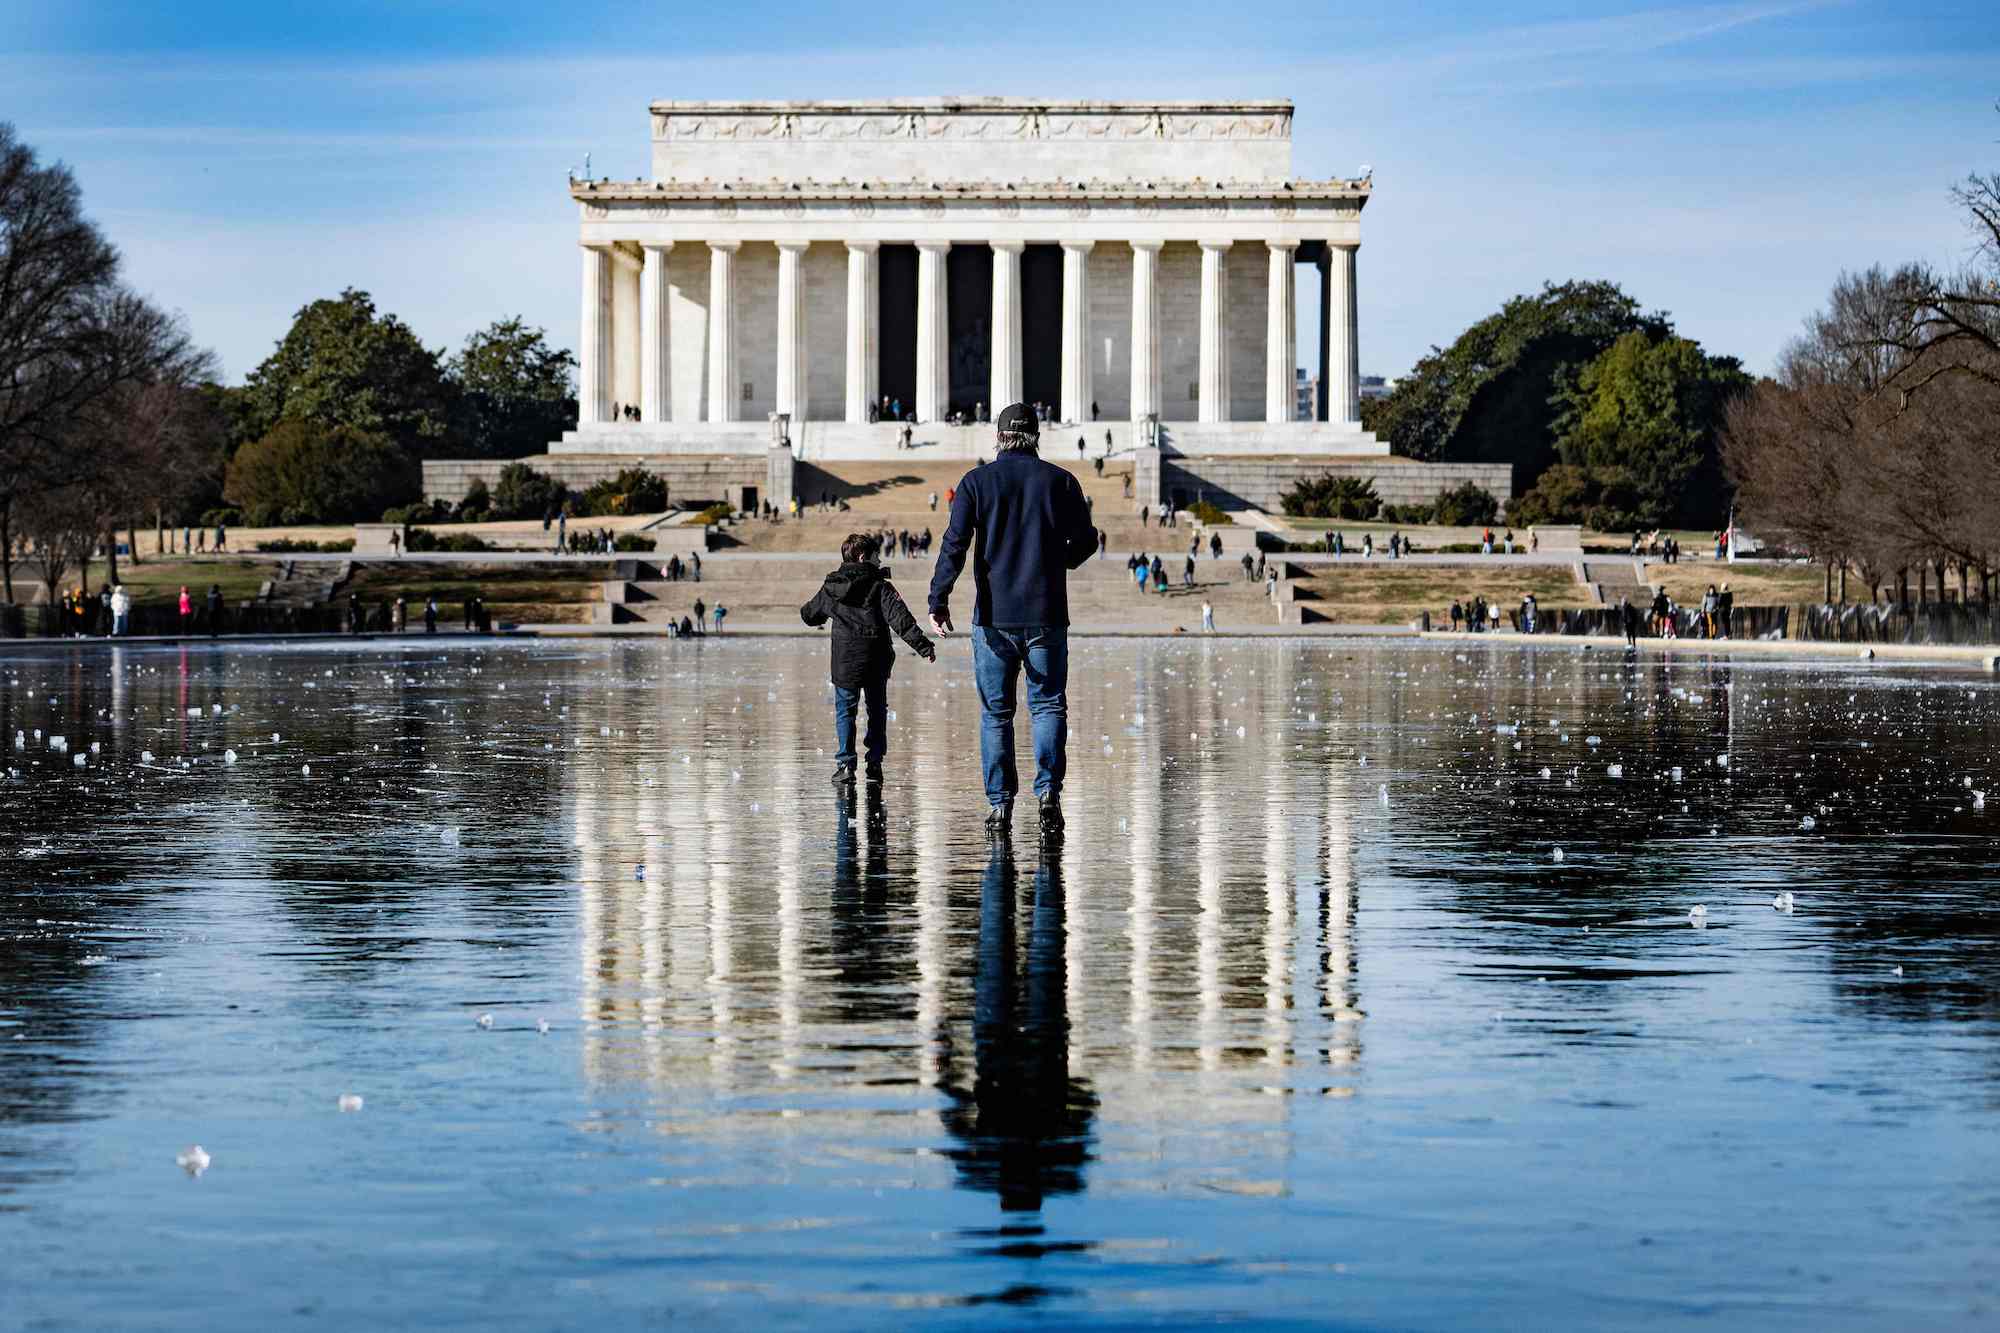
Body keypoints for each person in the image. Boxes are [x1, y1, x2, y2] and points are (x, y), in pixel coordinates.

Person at [929, 402, 1096, 835]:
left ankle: (1000, 805)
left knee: (997, 715)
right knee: (1047, 705)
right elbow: (1086, 540)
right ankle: (1048, 795)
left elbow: (955, 544)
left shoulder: (976, 483)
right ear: (1036, 436)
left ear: (999, 437)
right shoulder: (1060, 481)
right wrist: (1058, 560)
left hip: (993, 617)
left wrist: (938, 598)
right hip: (1046, 613)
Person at [801, 533, 937, 786]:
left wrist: (814, 613)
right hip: (876, 658)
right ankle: (874, 762)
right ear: (864, 557)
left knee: (845, 711)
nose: (879, 559)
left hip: (845, 661)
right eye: (876, 555)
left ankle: (845, 765)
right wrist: (923, 646)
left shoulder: (832, 586)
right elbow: (901, 619)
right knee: (876, 710)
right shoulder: (880, 586)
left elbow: (810, 615)